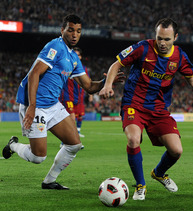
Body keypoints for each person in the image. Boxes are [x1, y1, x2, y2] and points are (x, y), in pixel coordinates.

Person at [99, 18, 193, 200]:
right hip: (134, 104)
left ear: (175, 37)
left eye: (167, 39)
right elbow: (117, 63)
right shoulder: (143, 48)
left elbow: (192, 80)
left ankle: (159, 173)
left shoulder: (180, 57)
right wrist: (108, 85)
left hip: (159, 109)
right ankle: (140, 186)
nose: (162, 43)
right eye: (159, 38)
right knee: (134, 139)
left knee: (176, 151)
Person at [2, 14, 123, 190]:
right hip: (36, 105)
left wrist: (106, 82)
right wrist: (32, 107)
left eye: (78, 31)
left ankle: (49, 181)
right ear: (62, 30)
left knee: (74, 144)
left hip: (52, 105)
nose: (75, 34)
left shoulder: (73, 58)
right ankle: (13, 145)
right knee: (38, 157)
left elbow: (88, 86)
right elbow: (34, 74)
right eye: (71, 30)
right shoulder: (55, 46)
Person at [59, 47, 93, 149]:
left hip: (79, 97)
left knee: (78, 116)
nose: (76, 57)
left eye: (78, 55)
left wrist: (90, 94)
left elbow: (88, 82)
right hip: (67, 96)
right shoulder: (65, 65)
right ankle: (66, 142)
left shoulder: (84, 69)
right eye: (75, 55)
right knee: (71, 118)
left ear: (81, 57)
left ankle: (72, 140)